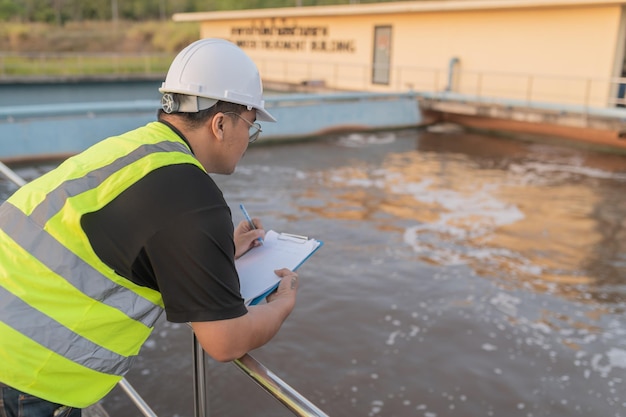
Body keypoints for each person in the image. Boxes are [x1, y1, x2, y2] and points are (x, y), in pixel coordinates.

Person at [0, 38, 299, 417]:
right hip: (23, 380)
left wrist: (219, 249)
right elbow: (225, 341)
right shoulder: (193, 198)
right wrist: (282, 305)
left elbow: (122, 235)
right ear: (221, 124)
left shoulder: (133, 148)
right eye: (251, 128)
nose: (248, 142)